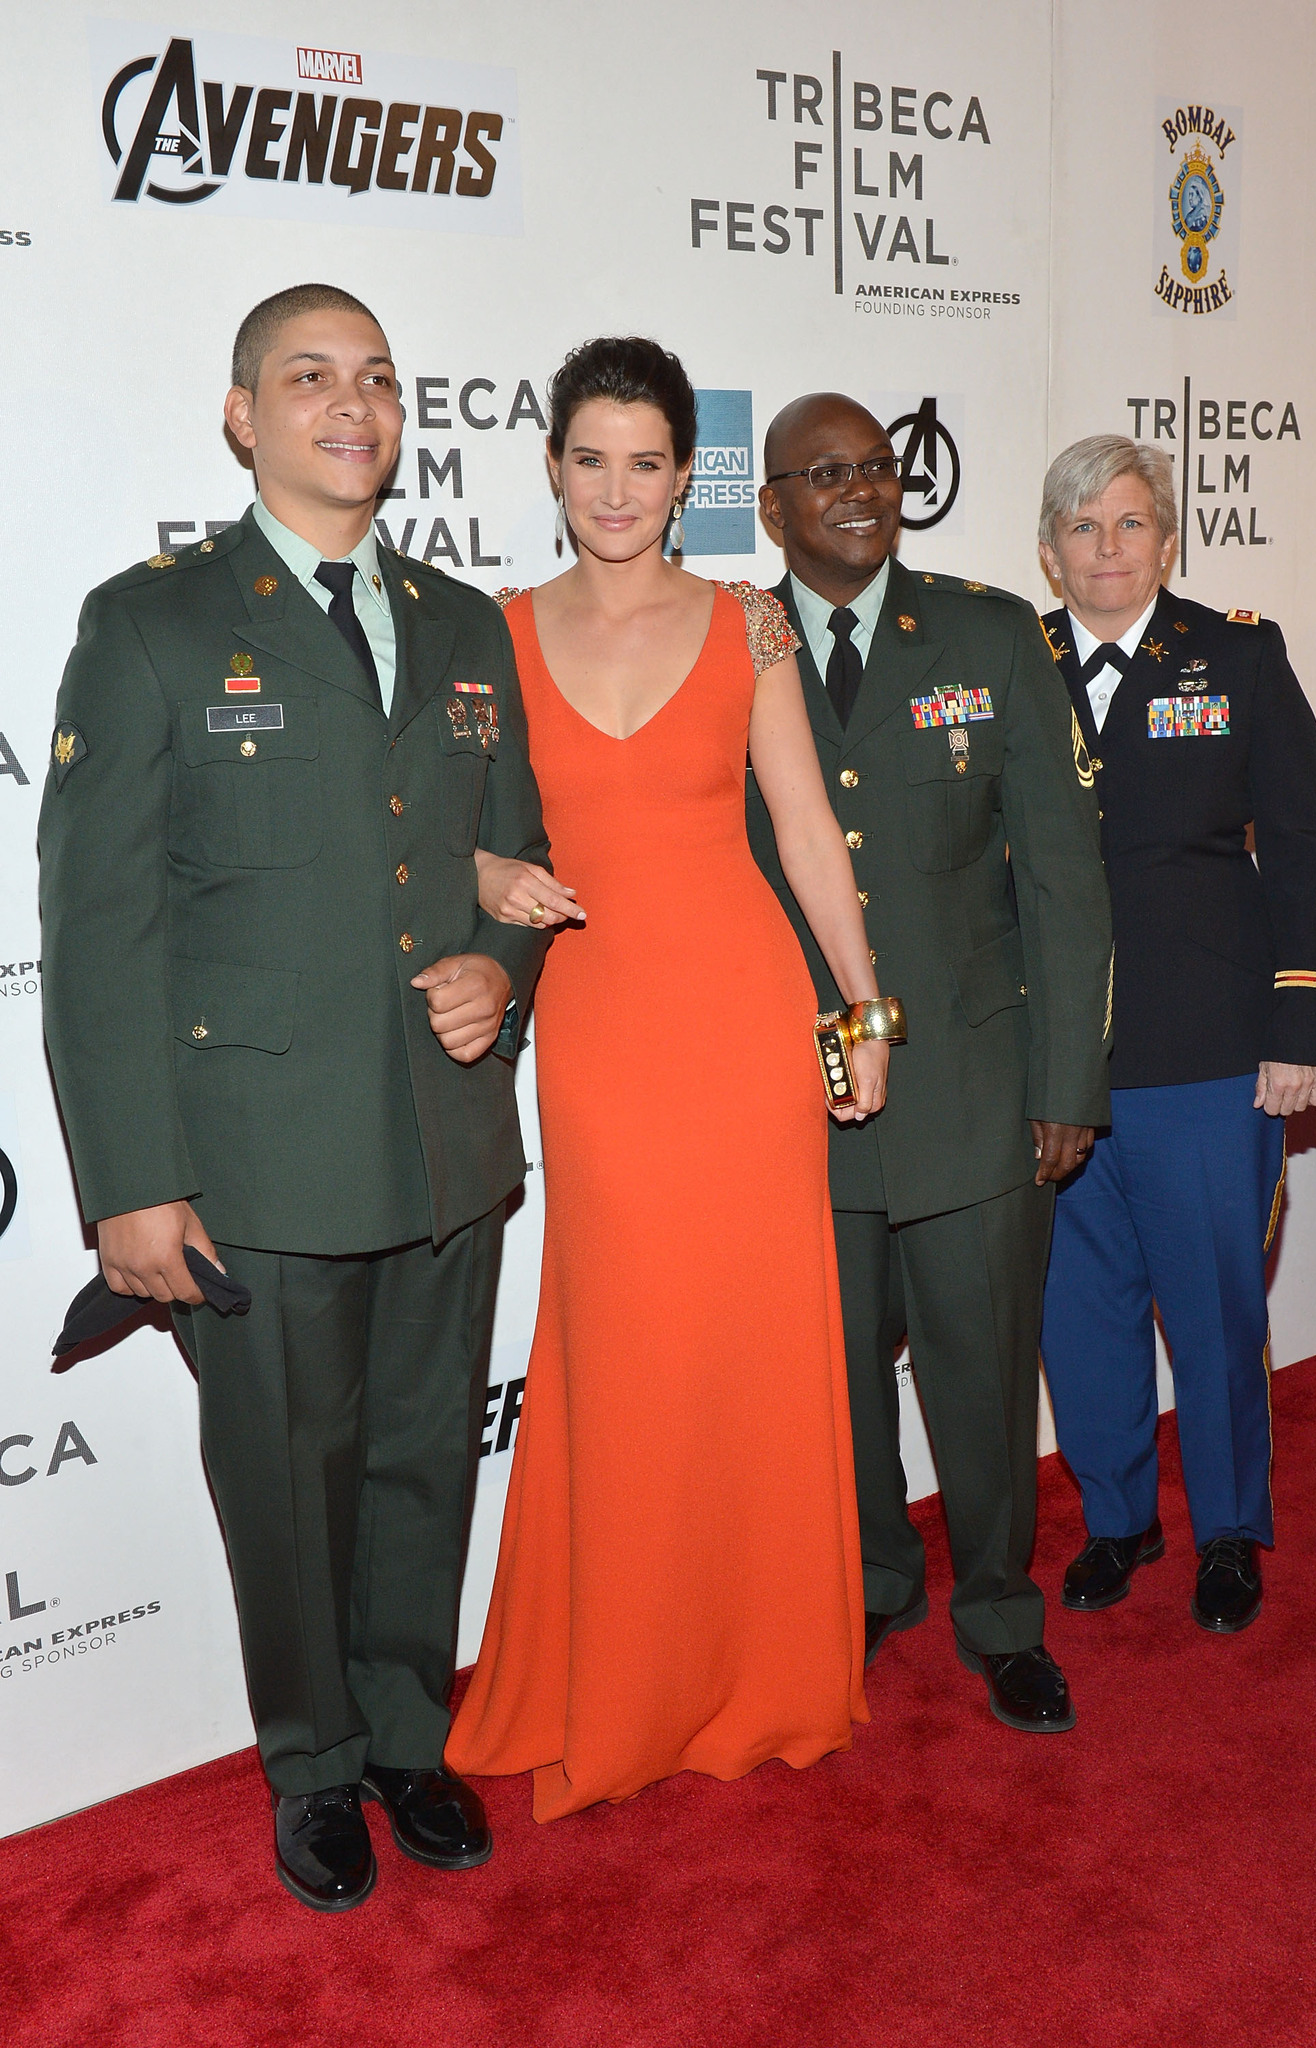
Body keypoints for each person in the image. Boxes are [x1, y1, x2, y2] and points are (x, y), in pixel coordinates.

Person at [38, 284, 552, 1910]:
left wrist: (500, 972)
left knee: (420, 1460)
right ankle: (314, 1762)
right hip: (258, 1161)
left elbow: (510, 865)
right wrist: (130, 1182)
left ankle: (406, 1730)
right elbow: (100, 928)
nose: (354, 403)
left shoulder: (471, 627)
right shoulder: (152, 624)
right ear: (242, 416)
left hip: (444, 1140)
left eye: (379, 378)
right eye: (310, 376)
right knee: (287, 1477)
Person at [446, 337, 890, 1820]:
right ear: (553, 465)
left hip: (742, 1012)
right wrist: (490, 867)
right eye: (590, 459)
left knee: (754, 1341)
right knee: (626, 1342)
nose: (617, 489)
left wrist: (861, 1002)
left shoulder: (749, 624)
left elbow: (807, 831)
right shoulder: (494, 633)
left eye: (646, 462)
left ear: (685, 474)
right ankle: (623, 1681)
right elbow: (418, 830)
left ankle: (762, 1667)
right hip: (601, 1025)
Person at [748, 394, 1113, 1733]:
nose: (858, 490)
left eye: (876, 468)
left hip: (969, 1087)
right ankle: (868, 1584)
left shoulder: (984, 632)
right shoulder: (732, 643)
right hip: (803, 1102)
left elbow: (1065, 878)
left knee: (977, 1368)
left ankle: (1000, 1613)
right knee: (832, 1383)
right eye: (822, 474)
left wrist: (1066, 1082)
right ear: (771, 502)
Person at [1037, 434, 1316, 1632]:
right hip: (1056, 1060)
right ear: (1047, 549)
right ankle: (1119, 1518)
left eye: (1128, 524)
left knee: (1215, 1309)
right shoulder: (1014, 662)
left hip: (1212, 1052)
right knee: (1082, 1307)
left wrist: (1301, 1019)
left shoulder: (1240, 655)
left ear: (1167, 539)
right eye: (1080, 526)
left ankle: (1227, 1528)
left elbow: (1306, 846)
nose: (1105, 549)